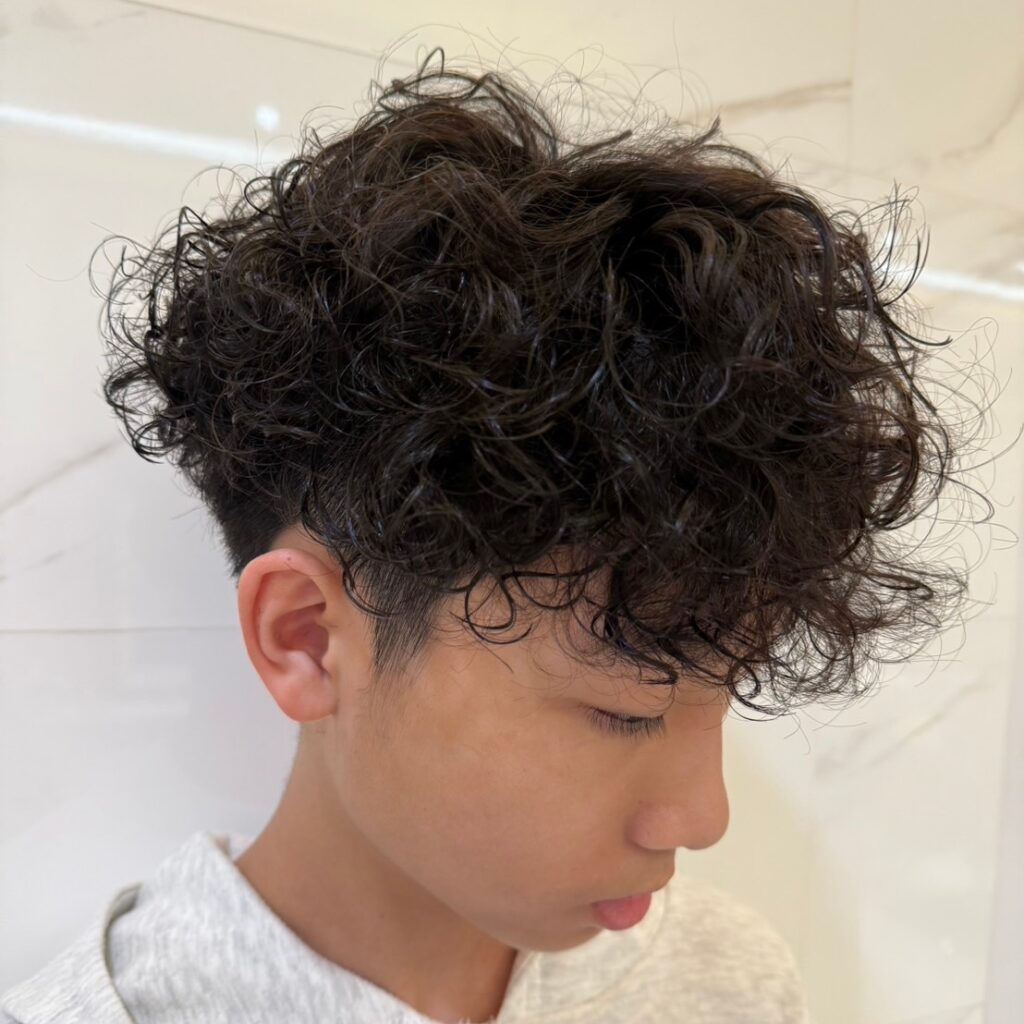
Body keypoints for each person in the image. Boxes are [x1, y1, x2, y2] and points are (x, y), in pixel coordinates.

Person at [2, 47, 982, 1024]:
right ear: (305, 637)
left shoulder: (723, 982)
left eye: (727, 696)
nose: (701, 817)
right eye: (625, 713)